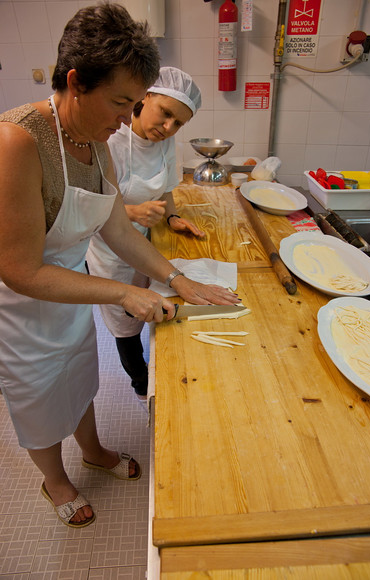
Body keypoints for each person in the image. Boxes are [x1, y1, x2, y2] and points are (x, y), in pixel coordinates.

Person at [0, 3, 240, 529]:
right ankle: (55, 480)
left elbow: (115, 228)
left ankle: (95, 451)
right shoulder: (17, 141)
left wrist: (178, 279)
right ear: (75, 82)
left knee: (80, 377)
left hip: (69, 290)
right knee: (39, 393)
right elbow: (18, 269)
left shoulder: (95, 141)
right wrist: (121, 293)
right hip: (21, 306)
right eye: (120, 102)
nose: (125, 117)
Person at [86, 66, 205, 401]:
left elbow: (166, 189)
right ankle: (140, 382)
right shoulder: (109, 141)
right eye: (165, 113)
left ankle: (158, 367)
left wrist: (173, 217)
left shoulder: (166, 142)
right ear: (145, 97)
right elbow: (89, 209)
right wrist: (131, 213)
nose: (168, 128)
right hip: (111, 252)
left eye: (178, 122)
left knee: (156, 307)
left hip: (148, 245)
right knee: (126, 326)